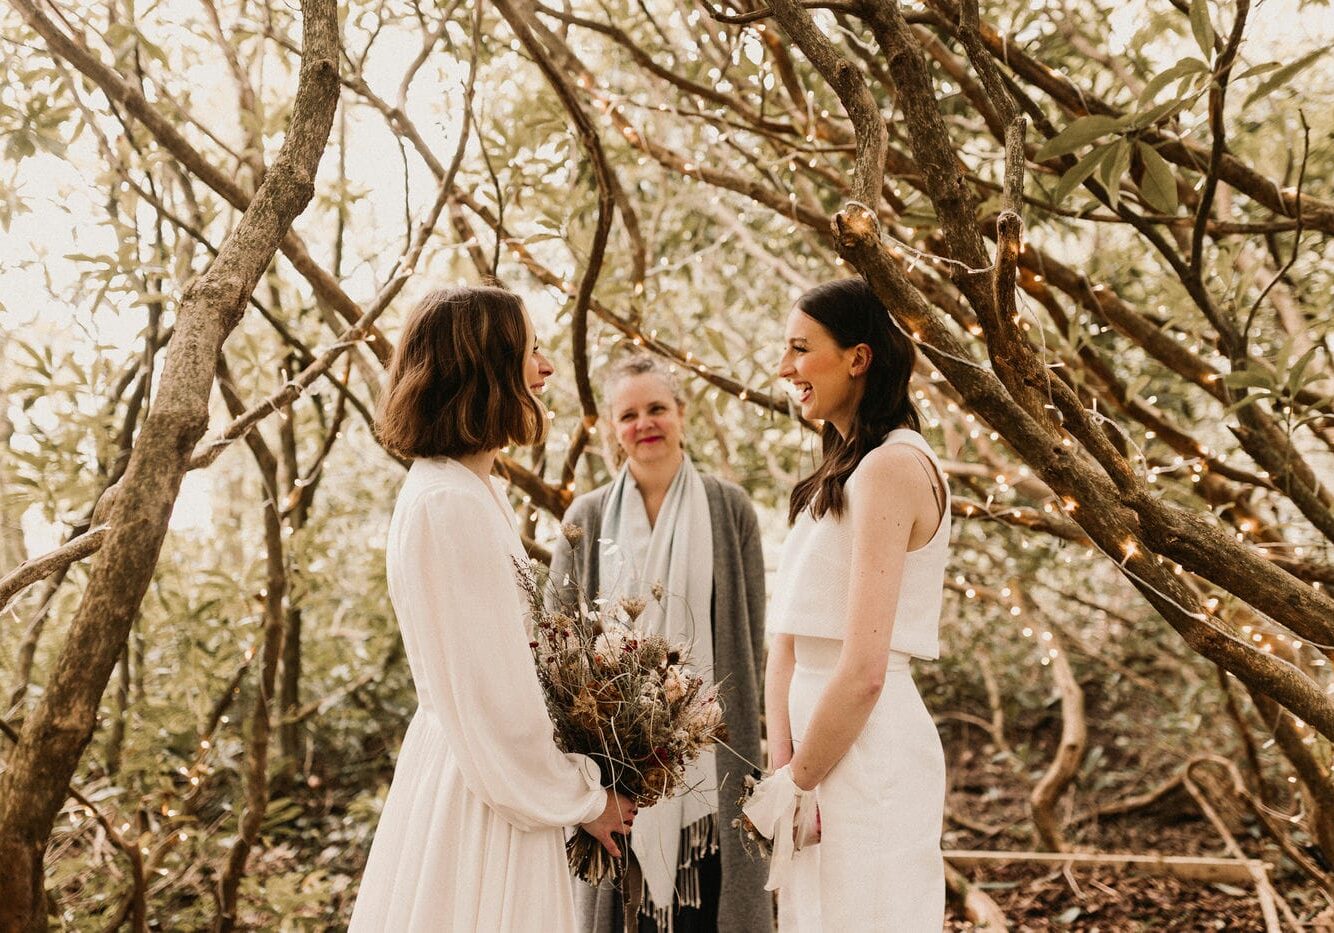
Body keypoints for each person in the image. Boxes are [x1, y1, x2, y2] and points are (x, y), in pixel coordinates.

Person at [349, 286, 636, 932]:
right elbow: (494, 696)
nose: (547, 369)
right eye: (531, 351)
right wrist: (583, 796)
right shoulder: (449, 503)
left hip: (479, 773)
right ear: (485, 368)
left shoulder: (468, 489)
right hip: (483, 794)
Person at [746, 276, 949, 930]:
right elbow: (787, 638)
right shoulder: (840, 471)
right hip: (814, 751)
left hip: (867, 750)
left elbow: (863, 669)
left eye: (801, 348)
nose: (785, 368)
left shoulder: (894, 467)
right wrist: (784, 770)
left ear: (858, 357)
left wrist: (798, 778)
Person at [552, 354, 770, 933]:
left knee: (712, 906)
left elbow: (750, 642)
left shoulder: (730, 509)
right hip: (615, 760)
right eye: (629, 414)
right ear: (610, 429)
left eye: (657, 409)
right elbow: (558, 646)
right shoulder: (587, 515)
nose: (644, 423)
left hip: (712, 751)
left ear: (682, 414)